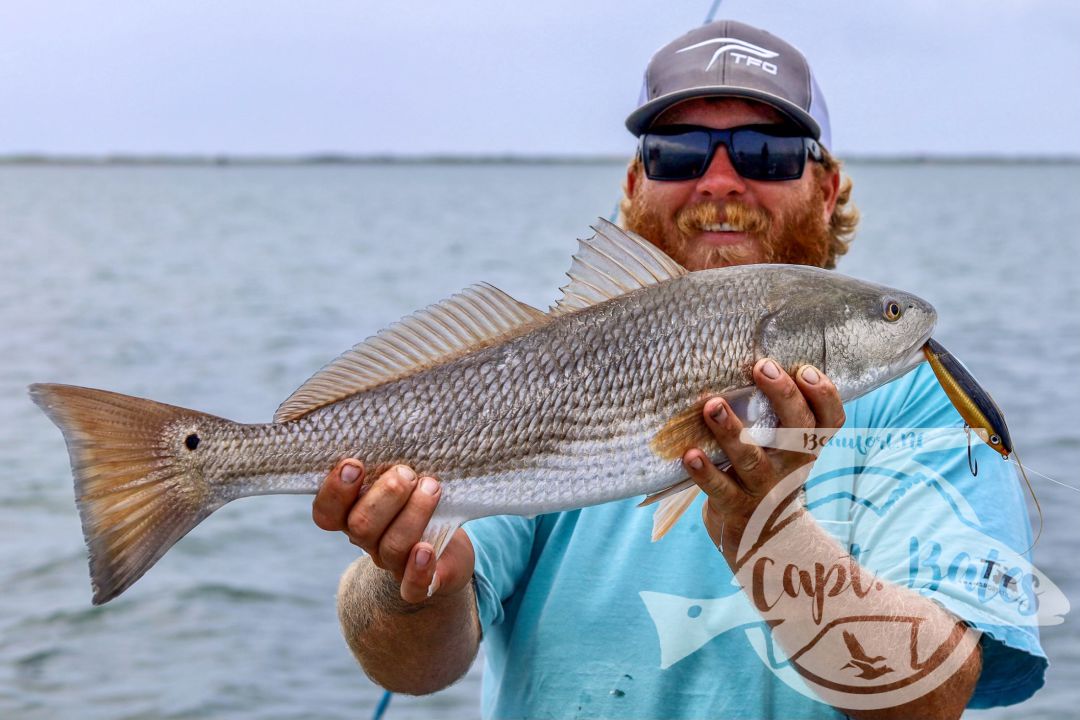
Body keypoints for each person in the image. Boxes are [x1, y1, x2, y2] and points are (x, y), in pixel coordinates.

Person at [312, 20, 1046, 719]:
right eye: (678, 151)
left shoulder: (923, 406)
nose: (720, 180)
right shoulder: (546, 365)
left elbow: (931, 696)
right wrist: (407, 576)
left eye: (766, 152)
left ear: (827, 189)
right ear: (634, 184)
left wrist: (770, 533)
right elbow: (414, 668)